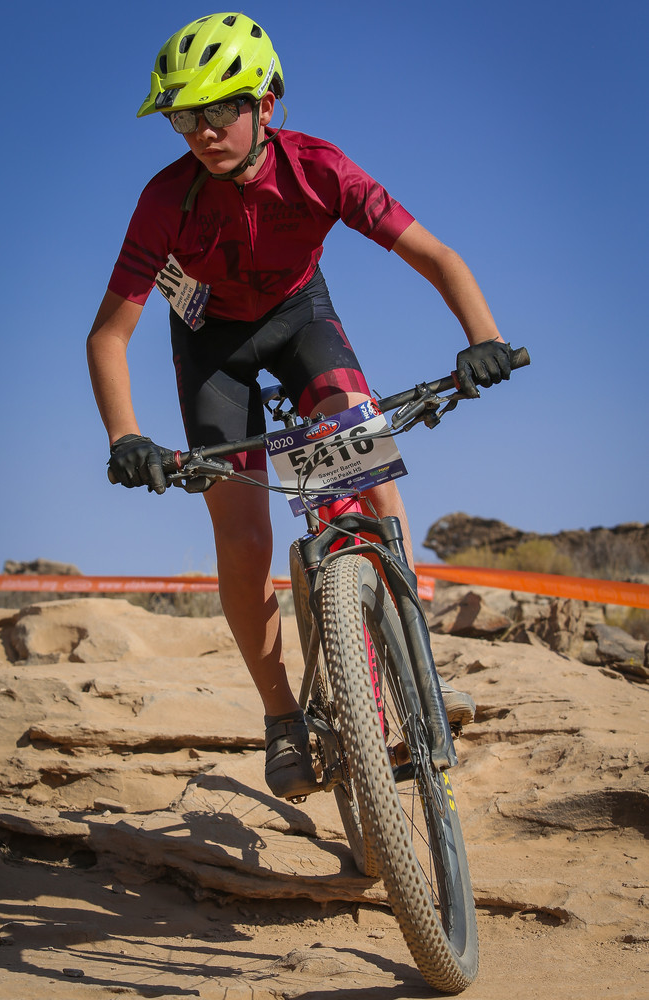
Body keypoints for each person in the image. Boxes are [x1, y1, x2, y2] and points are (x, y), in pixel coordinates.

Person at [87, 12, 513, 800]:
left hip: (298, 321)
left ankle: (413, 661)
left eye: (220, 110)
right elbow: (109, 336)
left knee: (368, 469)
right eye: (185, 117)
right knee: (243, 537)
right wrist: (125, 436)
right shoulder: (164, 199)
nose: (202, 132)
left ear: (265, 104)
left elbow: (435, 255)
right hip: (211, 348)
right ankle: (282, 717)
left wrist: (482, 338)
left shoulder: (317, 167)